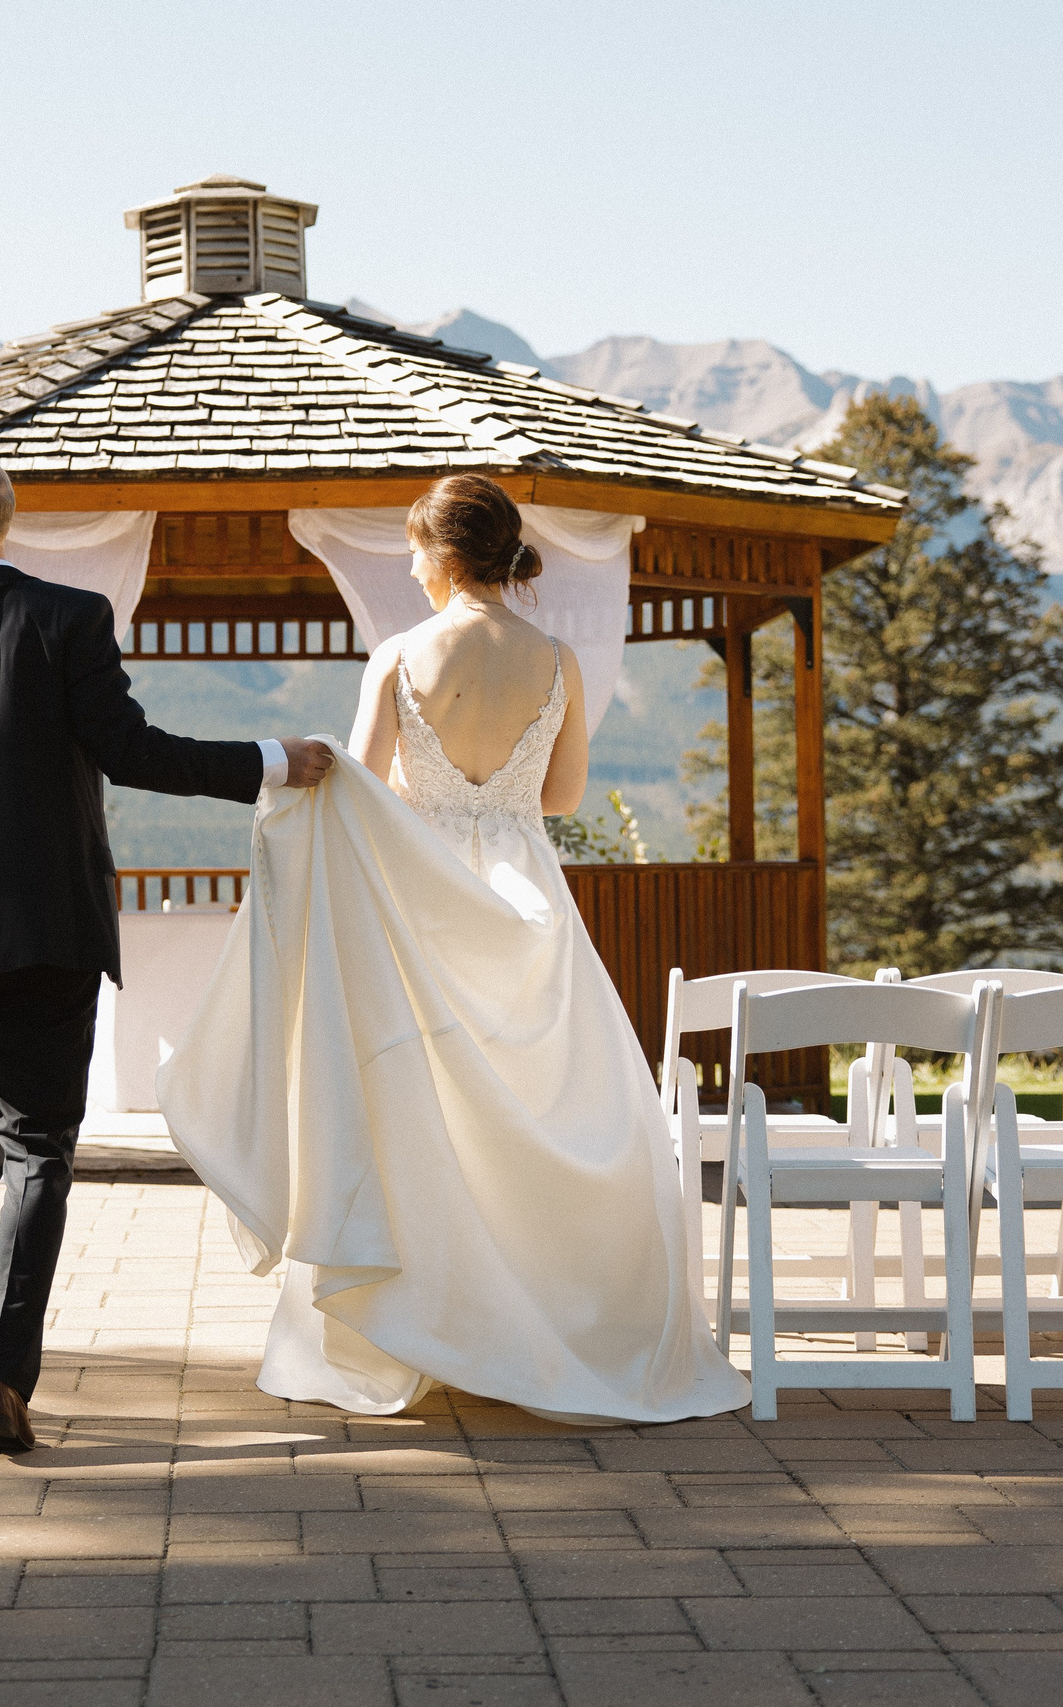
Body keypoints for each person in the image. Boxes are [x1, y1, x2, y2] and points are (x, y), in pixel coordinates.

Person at [160, 474, 749, 1424]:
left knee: (421, 1111)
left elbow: (358, 789)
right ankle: (545, 1322)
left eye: (412, 551)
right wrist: (495, 797)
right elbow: (561, 797)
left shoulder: (400, 655)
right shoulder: (560, 661)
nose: (409, 567)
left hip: (420, 896)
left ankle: (426, 1325)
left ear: (440, 553)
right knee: (539, 1104)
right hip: (525, 896)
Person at [0, 447, 331, 1453]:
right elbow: (134, 752)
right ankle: (3, 1378)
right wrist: (273, 760)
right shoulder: (71, 620)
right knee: (39, 1152)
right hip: (56, 930)